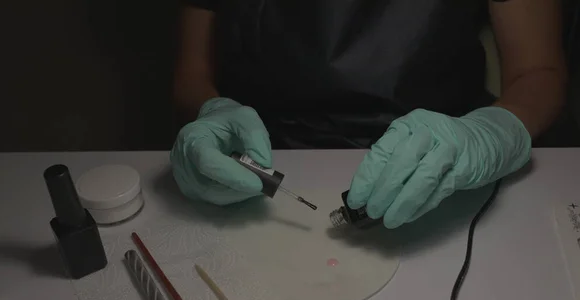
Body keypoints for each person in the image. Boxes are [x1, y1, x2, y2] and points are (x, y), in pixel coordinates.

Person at [170, 0, 567, 228]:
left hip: (440, 165)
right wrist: (213, 113)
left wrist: (493, 132)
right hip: (262, 160)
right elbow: (192, 76)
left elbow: (538, 73)